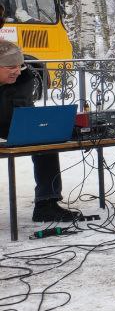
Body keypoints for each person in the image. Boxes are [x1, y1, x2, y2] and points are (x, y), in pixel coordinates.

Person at [0, 40, 81, 222]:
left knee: (45, 141)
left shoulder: (24, 79)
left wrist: (37, 126)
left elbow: (24, 112)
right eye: (10, 66)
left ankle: (47, 204)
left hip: (8, 124)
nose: (16, 71)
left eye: (19, 66)